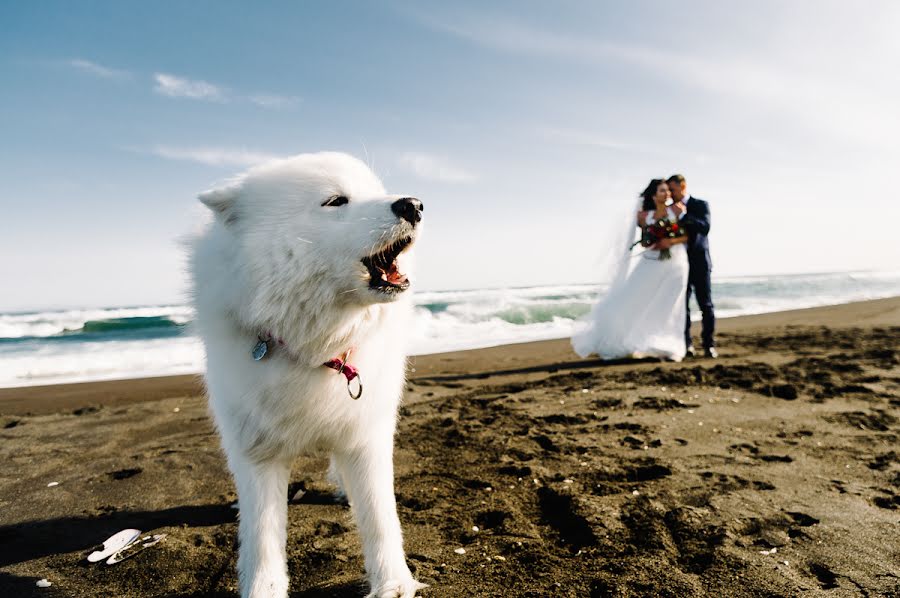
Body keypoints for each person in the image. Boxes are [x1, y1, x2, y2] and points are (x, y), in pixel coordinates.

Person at [572, 178, 689, 361]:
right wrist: (652, 241)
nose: (666, 194)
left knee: (669, 303)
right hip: (651, 260)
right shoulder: (644, 216)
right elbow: (643, 241)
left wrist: (669, 241)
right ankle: (631, 340)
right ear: (653, 195)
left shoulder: (677, 210)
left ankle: (667, 345)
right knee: (635, 297)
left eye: (667, 190)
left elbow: (687, 235)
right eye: (661, 191)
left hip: (674, 262)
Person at [666, 174, 716, 358]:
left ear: (683, 186)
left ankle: (709, 345)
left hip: (700, 262)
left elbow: (705, 227)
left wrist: (684, 215)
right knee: (682, 307)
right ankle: (686, 344)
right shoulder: (668, 209)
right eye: (669, 190)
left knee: (706, 304)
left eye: (673, 189)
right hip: (677, 264)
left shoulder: (700, 204)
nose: (671, 194)